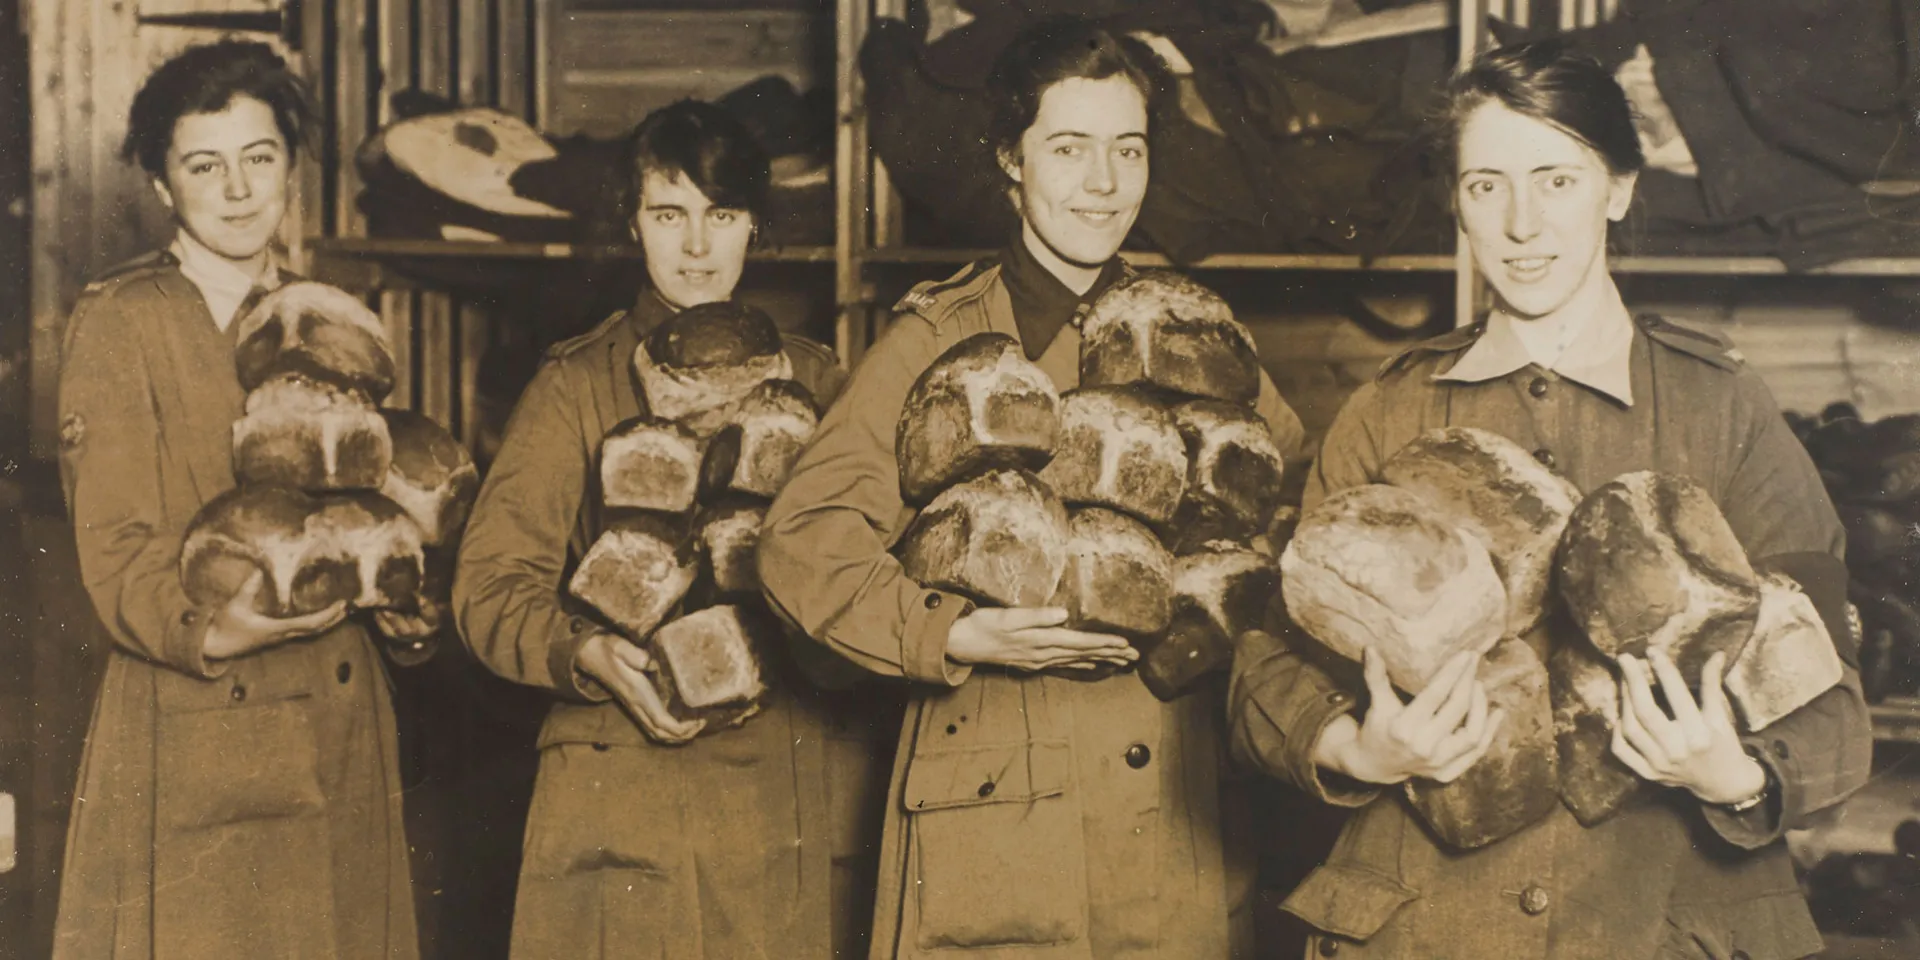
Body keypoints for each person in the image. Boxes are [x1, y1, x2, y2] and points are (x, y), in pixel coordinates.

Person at [1228, 40, 1872, 960]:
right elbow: (1266, 663)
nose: (1523, 223)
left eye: (1558, 181)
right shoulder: (1388, 408)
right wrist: (1357, 749)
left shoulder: (1722, 407)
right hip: (1432, 925)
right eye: (1487, 185)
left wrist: (1734, 774)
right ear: (1456, 203)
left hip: (1662, 921)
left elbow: (1836, 701)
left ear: (1618, 188)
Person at [759, 19, 1306, 958]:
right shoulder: (941, 341)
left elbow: (1290, 503)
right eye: (1069, 148)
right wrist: (953, 631)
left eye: (1127, 149)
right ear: (1011, 160)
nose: (1103, 183)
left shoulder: (1191, 331)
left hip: (1175, 814)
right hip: (1000, 814)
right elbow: (802, 544)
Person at [452, 98, 892, 959]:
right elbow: (487, 586)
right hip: (631, 776)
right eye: (669, 213)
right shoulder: (578, 383)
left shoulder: (820, 379)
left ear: (755, 225)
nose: (696, 246)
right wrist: (581, 652)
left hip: (796, 782)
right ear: (632, 222)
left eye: (721, 215)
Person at [52, 40, 418, 959]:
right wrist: (211, 629)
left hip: (338, 718)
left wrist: (409, 602)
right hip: (196, 710)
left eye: (260, 158)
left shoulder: (333, 318)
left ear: (291, 166)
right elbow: (117, 542)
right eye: (205, 165)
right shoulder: (121, 319)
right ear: (164, 186)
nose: (240, 188)